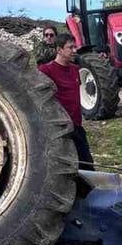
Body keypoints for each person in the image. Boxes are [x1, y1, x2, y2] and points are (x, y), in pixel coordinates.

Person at [38, 34, 95, 170]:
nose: (74, 50)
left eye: (74, 47)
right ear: (59, 50)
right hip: (59, 129)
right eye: (70, 47)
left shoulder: (75, 70)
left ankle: (87, 191)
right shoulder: (46, 70)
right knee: (64, 166)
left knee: (87, 165)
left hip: (76, 125)